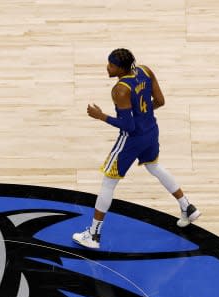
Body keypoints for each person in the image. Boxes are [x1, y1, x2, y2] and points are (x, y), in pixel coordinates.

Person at [72, 48, 199, 250]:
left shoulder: (120, 90)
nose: (108, 67)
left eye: (111, 65)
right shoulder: (145, 71)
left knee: (108, 182)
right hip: (151, 131)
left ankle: (93, 235)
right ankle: (187, 207)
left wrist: (101, 116)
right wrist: (143, 113)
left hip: (132, 139)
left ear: (120, 68)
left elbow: (128, 126)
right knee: (155, 167)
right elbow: (160, 101)